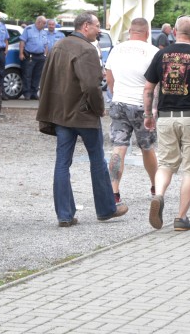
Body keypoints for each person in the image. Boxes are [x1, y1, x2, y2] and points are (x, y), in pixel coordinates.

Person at [36, 12, 128, 227]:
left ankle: (65, 215)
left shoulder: (58, 45)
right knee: (97, 160)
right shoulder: (86, 49)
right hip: (83, 115)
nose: (99, 30)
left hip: (62, 114)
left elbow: (47, 80)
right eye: (97, 26)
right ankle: (106, 209)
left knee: (62, 163)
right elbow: (90, 86)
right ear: (86, 26)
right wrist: (99, 109)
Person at [143, 15, 190, 231]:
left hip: (166, 118)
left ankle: (158, 195)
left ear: (175, 32)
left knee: (166, 164)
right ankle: (181, 218)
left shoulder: (161, 55)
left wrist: (148, 114)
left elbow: (149, 88)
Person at [104, 17, 160, 204]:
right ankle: (155, 186)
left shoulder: (117, 49)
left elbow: (109, 77)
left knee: (118, 147)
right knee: (147, 147)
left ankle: (114, 192)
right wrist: (153, 108)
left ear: (130, 32)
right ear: (147, 33)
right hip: (141, 105)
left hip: (119, 102)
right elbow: (156, 84)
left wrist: (115, 95)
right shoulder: (152, 52)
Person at [19, 15, 48, 100]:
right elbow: (22, 42)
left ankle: (34, 93)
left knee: (37, 76)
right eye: (44, 23)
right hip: (30, 56)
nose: (45, 25)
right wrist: (21, 53)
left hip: (40, 56)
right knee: (27, 75)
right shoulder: (28, 29)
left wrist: (45, 55)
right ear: (39, 22)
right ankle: (27, 93)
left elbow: (46, 45)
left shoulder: (43, 32)